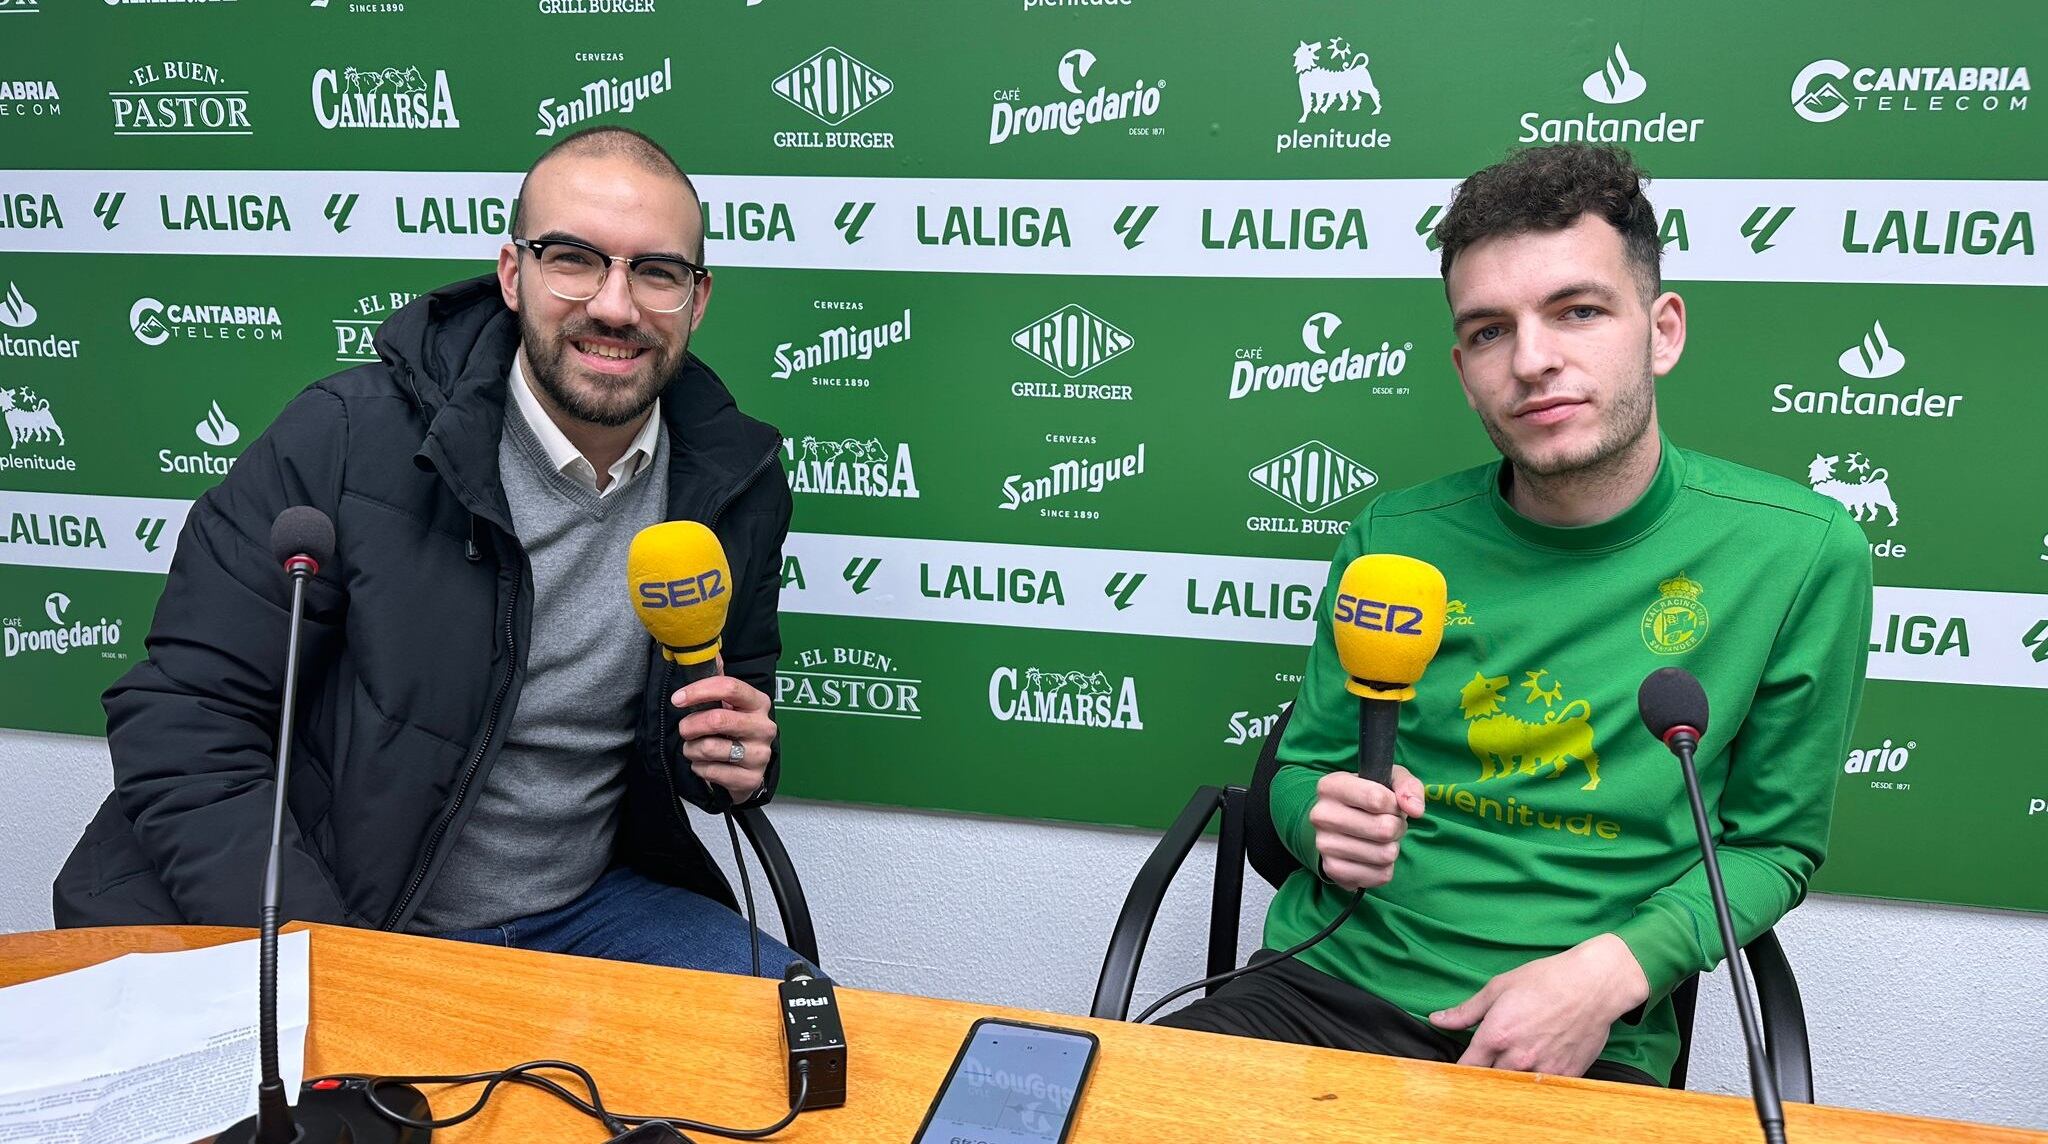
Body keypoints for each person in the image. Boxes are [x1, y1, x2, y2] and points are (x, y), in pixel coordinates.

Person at [1158, 143, 1872, 1086]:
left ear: (1662, 330)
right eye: (1491, 331)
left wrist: (1609, 975)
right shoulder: (1390, 538)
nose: (1533, 361)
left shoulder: (1802, 554)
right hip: (1322, 991)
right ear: (1464, 367)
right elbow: (1302, 769)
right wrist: (1320, 819)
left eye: (1578, 311)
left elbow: (1771, 847)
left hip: (1582, 1033)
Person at [53, 126, 805, 975]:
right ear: (513, 275)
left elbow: (722, 720)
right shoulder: (342, 436)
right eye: (574, 259)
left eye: (656, 272)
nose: (615, 306)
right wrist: (332, 961)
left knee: (813, 1055)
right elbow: (184, 720)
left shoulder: (736, 482)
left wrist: (735, 758)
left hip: (588, 910)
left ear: (696, 301)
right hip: (335, 910)